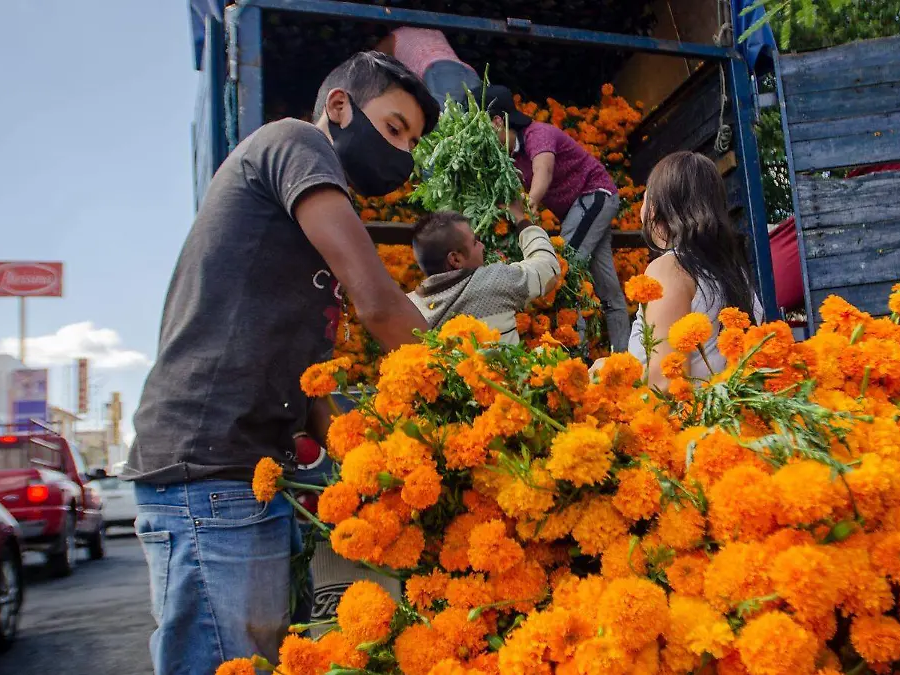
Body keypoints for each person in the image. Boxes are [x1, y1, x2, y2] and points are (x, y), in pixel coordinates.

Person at [122, 52, 439, 675]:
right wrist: (464, 381)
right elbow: (378, 302)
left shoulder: (303, 230)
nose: (401, 154)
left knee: (259, 658)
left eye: (411, 143)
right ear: (341, 106)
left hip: (249, 472)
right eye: (394, 128)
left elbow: (311, 377)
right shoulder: (296, 143)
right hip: (208, 470)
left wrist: (367, 463)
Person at [472, 84, 631, 353]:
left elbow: (542, 171)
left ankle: (575, 356)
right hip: (577, 213)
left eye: (479, 125)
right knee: (607, 288)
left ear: (497, 121)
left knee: (562, 269)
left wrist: (529, 206)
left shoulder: (539, 134)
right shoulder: (509, 156)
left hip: (595, 196)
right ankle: (626, 356)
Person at [620, 151, 765, 388]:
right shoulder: (733, 271)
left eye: (645, 199)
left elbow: (667, 380)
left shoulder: (670, 268)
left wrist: (610, 374)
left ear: (656, 209)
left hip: (685, 421)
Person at [408, 205, 560, 342]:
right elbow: (548, 269)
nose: (482, 246)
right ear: (455, 259)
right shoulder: (493, 281)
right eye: (475, 242)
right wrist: (521, 220)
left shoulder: (408, 308)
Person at [375, 26, 482, 107]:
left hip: (439, 73)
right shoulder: (435, 31)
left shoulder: (393, 37)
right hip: (467, 72)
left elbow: (371, 64)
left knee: (443, 125)